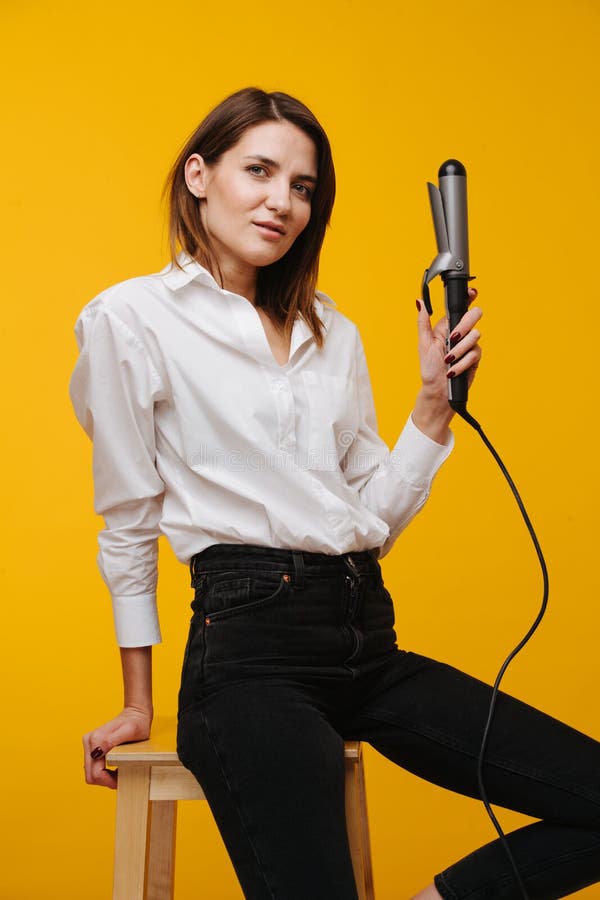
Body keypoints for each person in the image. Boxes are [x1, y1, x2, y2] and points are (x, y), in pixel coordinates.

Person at [70, 87, 600, 900]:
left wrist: (431, 405)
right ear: (199, 176)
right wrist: (137, 702)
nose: (282, 201)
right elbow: (128, 520)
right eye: (259, 171)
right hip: (250, 657)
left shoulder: (332, 331)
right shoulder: (130, 319)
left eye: (304, 186)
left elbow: (368, 522)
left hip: (365, 638)